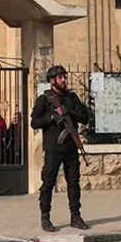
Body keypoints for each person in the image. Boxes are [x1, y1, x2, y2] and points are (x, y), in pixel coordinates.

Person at [31, 65, 91, 232]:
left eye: (64, 77)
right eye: (60, 78)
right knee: (48, 182)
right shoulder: (44, 99)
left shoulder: (72, 97)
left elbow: (85, 117)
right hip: (53, 148)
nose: (63, 80)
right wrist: (51, 118)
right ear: (52, 81)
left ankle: (75, 216)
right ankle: (45, 217)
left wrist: (69, 111)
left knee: (73, 182)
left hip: (70, 147)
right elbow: (34, 122)